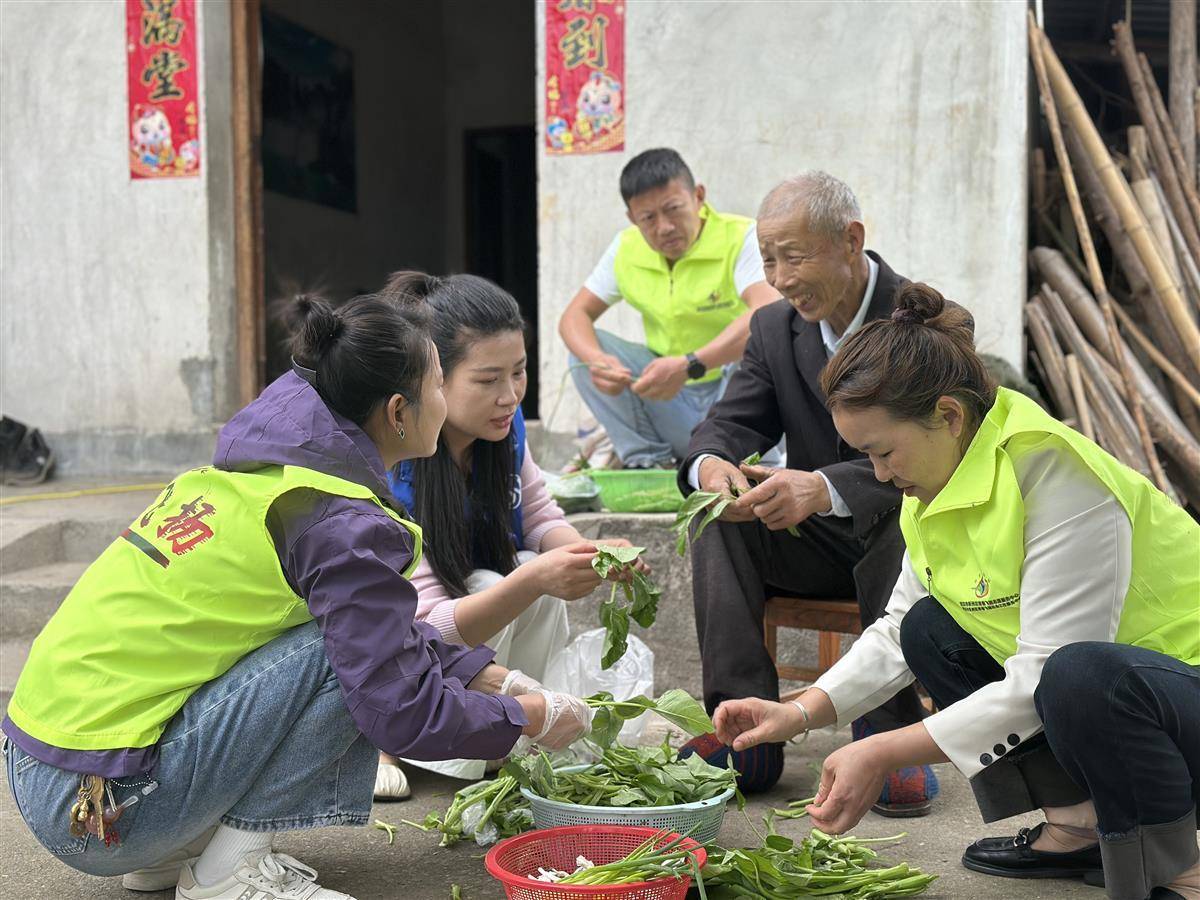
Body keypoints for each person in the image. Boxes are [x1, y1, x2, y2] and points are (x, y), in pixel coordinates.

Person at [2, 293, 592, 900]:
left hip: (48, 772)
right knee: (343, 659)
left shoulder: (276, 470)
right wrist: (529, 718)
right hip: (99, 809)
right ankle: (228, 876)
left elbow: (382, 631)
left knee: (344, 639)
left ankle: (179, 846)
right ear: (397, 411)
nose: (448, 402)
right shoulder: (338, 521)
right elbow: (397, 707)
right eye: (441, 385)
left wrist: (495, 682)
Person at [715, 283, 1200, 900]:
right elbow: (895, 630)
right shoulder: (935, 483)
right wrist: (799, 710)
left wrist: (886, 750)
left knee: (1080, 673)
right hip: (1127, 705)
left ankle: (1180, 868)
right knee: (929, 630)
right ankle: (1077, 826)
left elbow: (1042, 675)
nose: (880, 475)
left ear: (948, 414)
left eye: (882, 452)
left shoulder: (1058, 476)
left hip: (1182, 705)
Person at [676, 171, 933, 809]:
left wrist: (821, 486)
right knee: (717, 518)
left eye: (794, 256)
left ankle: (889, 727)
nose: (782, 277)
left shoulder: (924, 317)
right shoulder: (770, 329)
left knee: (902, 519)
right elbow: (729, 424)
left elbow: (941, 457)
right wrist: (712, 466)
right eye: (768, 260)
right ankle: (745, 728)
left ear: (851, 240)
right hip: (818, 544)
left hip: (908, 544)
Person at [374, 271, 646, 792]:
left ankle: (510, 731)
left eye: (518, 373)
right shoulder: (395, 469)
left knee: (521, 571)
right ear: (432, 378)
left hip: (466, 635)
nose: (510, 396)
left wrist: (595, 556)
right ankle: (417, 743)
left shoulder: (505, 433)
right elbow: (425, 625)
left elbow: (541, 517)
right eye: (487, 380)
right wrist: (536, 578)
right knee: (496, 582)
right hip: (404, 654)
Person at [559, 147, 780, 468]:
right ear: (632, 218)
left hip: (736, 399)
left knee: (757, 351)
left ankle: (750, 462)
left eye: (673, 209)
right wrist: (599, 362)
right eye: (647, 218)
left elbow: (767, 313)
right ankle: (650, 464)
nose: (664, 227)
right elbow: (573, 317)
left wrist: (691, 365)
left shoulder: (741, 236)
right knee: (581, 355)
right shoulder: (626, 248)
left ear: (698, 196)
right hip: (668, 399)